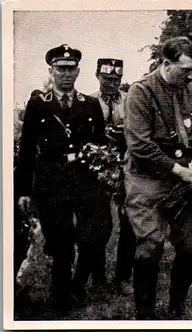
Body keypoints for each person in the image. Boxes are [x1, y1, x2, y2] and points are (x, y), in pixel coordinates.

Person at [124, 36, 192, 320]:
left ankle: (177, 307)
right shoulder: (141, 92)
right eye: (184, 70)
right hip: (147, 178)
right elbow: (139, 145)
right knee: (150, 248)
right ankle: (145, 314)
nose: (190, 76)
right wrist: (178, 170)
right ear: (165, 63)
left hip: (185, 178)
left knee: (189, 246)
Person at [16, 44, 109, 313]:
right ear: (51, 71)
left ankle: (78, 285)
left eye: (70, 69)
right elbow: (26, 150)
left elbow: (100, 142)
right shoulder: (38, 105)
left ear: (79, 72)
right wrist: (24, 190)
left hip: (85, 182)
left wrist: (104, 169)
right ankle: (63, 298)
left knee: (93, 239)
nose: (65, 74)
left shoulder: (90, 105)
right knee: (61, 245)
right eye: (60, 69)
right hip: (52, 184)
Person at [90, 58, 135, 296]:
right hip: (98, 170)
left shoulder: (130, 100)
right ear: (97, 76)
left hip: (127, 165)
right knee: (99, 224)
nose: (111, 83)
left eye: (116, 79)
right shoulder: (88, 102)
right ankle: (98, 275)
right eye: (107, 78)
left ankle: (123, 276)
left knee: (129, 222)